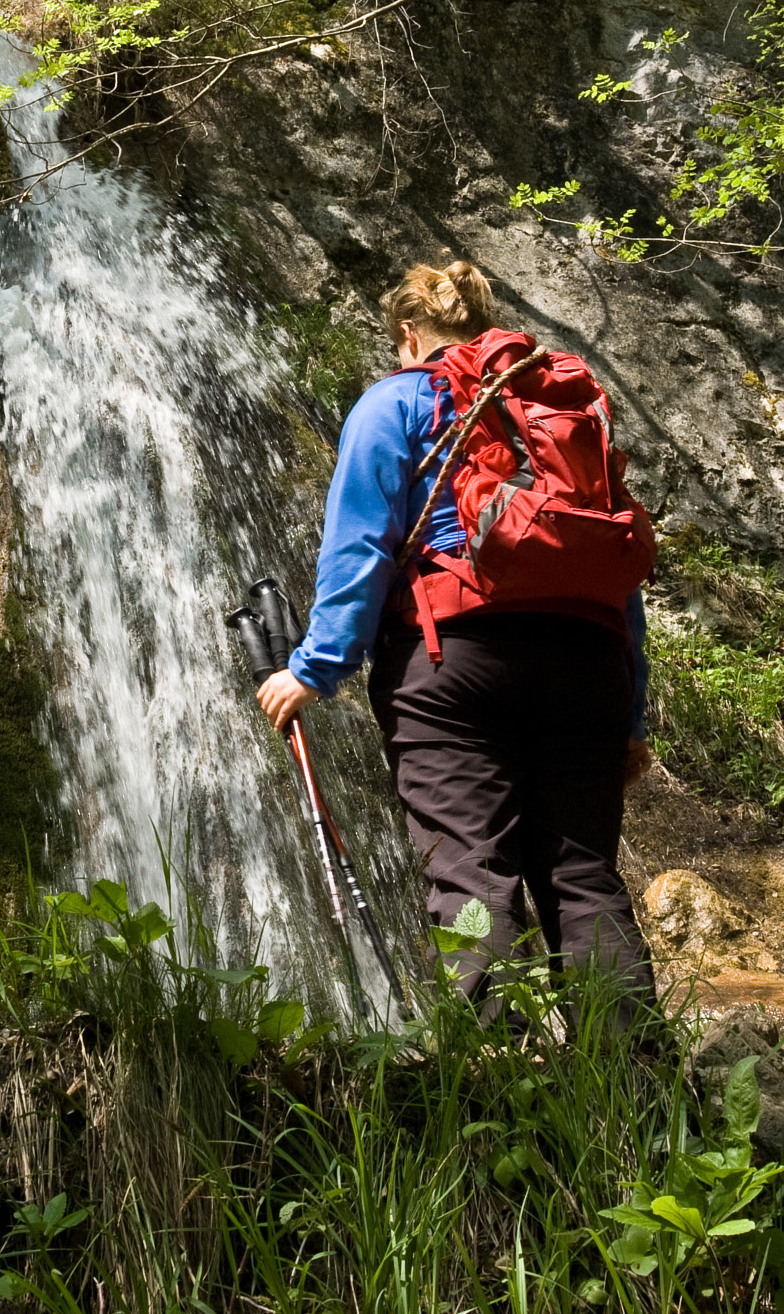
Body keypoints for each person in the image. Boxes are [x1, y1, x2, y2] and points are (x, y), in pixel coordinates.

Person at [257, 259, 656, 1005]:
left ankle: (498, 1085)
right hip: (588, 662)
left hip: (454, 664)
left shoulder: (397, 401)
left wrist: (315, 667)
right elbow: (614, 569)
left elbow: (360, 545)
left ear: (409, 335)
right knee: (581, 876)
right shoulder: (558, 408)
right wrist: (629, 716)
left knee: (471, 868)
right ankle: (633, 1091)